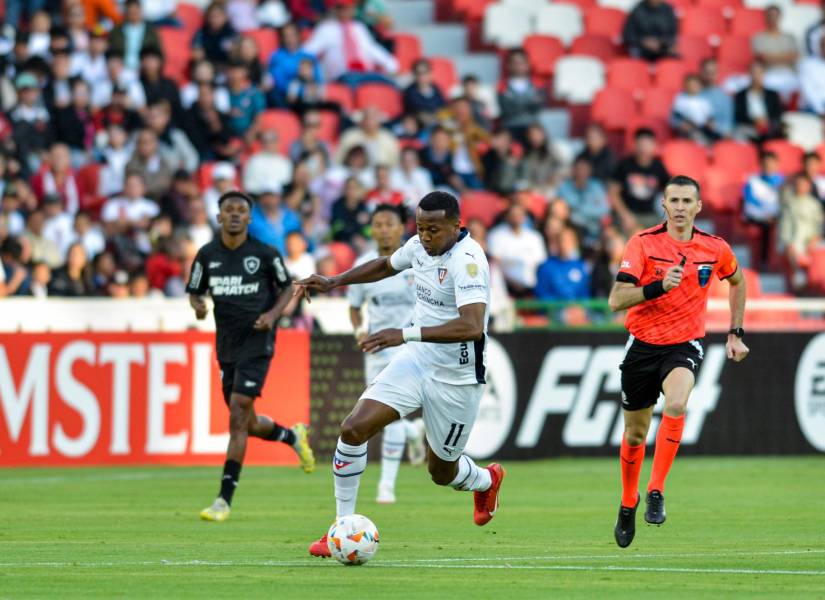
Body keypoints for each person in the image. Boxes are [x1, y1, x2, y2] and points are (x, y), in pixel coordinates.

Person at [297, 191, 505, 558]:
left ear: (456, 226)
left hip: (456, 377)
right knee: (353, 428)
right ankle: (339, 529)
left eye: (434, 230)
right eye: (421, 228)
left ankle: (486, 480)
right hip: (417, 360)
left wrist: (402, 333)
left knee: (441, 472)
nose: (425, 237)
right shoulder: (419, 246)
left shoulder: (469, 262)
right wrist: (334, 281)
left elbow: (472, 325)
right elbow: (385, 265)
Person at [609, 175, 748, 548]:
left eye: (689, 201)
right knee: (636, 434)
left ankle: (656, 490)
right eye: (675, 200)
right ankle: (628, 501)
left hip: (683, 344)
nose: (682, 207)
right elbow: (616, 299)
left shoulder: (714, 248)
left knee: (676, 402)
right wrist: (657, 286)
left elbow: (738, 281)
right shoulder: (642, 243)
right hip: (641, 345)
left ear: (699, 206)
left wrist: (736, 333)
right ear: (665, 206)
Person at [187, 190, 316, 522]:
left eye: (240, 210)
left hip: (258, 342)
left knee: (237, 415)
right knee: (244, 420)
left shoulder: (264, 253)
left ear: (248, 218)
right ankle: (290, 435)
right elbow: (195, 293)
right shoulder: (206, 255)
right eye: (227, 209)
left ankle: (223, 499)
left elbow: (288, 287)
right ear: (218, 217)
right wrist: (199, 306)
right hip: (226, 345)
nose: (233, 214)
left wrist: (272, 317)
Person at [346, 205, 427, 504]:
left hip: (410, 346)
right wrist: (359, 332)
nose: (382, 229)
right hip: (378, 348)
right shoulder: (365, 264)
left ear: (400, 228)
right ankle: (413, 432)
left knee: (390, 418)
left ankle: (386, 487)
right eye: (377, 224)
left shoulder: (416, 259)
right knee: (381, 419)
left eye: (388, 224)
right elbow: (354, 307)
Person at [609, 128, 671, 233]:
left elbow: (671, 190)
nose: (644, 149)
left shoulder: (658, 167)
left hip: (651, 215)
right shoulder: (625, 165)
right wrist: (625, 215)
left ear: (654, 146)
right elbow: (613, 193)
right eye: (641, 144)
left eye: (647, 145)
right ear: (634, 145)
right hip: (629, 214)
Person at [743, 150, 784, 267]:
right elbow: (749, 205)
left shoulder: (784, 181)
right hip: (758, 216)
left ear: (777, 164)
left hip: (777, 216)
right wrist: (765, 216)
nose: (769, 167)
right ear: (761, 165)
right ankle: (764, 261)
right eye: (766, 164)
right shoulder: (752, 181)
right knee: (766, 226)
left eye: (772, 163)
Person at [751, 5, 799, 98]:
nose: (772, 19)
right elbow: (762, 58)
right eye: (769, 16)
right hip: (768, 74)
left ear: (780, 17)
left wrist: (771, 57)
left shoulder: (790, 37)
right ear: (765, 17)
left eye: (775, 16)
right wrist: (786, 57)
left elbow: (795, 56)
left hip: (788, 74)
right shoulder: (758, 37)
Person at [498, 49, 544, 144]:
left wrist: (514, 102)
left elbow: (538, 107)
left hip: (532, 127)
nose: (518, 66)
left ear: (527, 64)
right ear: (509, 65)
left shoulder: (538, 84)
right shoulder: (501, 86)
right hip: (510, 127)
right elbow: (506, 110)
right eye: (515, 63)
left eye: (521, 62)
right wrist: (529, 102)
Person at [733, 62, 784, 143]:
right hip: (750, 128)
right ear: (749, 74)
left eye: (760, 73)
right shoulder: (741, 96)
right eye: (754, 73)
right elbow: (739, 117)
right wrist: (755, 121)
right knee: (739, 131)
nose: (757, 76)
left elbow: (778, 114)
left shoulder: (772, 95)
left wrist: (767, 121)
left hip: (769, 128)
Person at [535, 227, 590, 301]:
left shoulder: (581, 267)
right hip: (554, 311)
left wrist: (580, 309)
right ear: (557, 243)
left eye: (570, 240)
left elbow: (585, 294)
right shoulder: (546, 267)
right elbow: (542, 294)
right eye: (563, 240)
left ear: (575, 243)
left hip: (578, 310)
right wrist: (562, 307)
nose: (566, 244)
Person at [671, 73, 723, 145]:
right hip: (689, 129)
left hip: (704, 128)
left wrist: (710, 123)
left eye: (695, 85)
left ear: (700, 86)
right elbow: (676, 117)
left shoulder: (704, 100)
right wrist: (682, 124)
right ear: (685, 86)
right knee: (697, 137)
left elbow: (710, 116)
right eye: (690, 85)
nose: (693, 87)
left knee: (720, 138)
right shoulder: (681, 99)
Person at [698, 58, 734, 138]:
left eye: (713, 72)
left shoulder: (725, 97)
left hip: (718, 136)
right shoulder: (691, 94)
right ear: (701, 72)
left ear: (718, 74)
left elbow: (728, 124)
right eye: (707, 72)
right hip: (697, 135)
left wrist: (715, 127)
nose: (710, 76)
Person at [799, 37, 825, 115]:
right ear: (820, 47)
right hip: (813, 107)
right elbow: (808, 92)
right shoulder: (807, 64)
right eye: (823, 45)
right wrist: (821, 110)